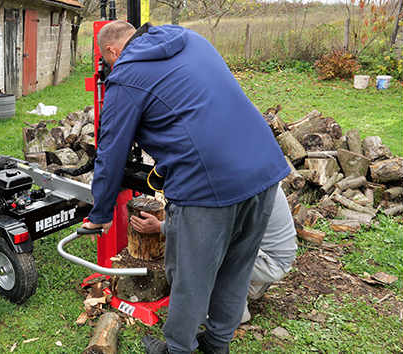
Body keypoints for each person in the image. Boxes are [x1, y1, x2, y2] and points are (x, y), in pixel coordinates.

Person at [80, 20, 291, 354]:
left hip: (209, 184)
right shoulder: (191, 39)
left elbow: (111, 150)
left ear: (111, 51)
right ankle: (216, 345)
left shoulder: (125, 74)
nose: (109, 68)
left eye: (107, 63)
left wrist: (102, 212)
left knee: (190, 277)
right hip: (263, 170)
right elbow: (198, 106)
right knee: (236, 269)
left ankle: (177, 349)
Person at [130, 187, 297, 323]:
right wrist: (162, 225)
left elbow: (202, 229)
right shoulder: (255, 175)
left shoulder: (233, 187)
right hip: (276, 254)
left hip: (270, 261)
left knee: (206, 251)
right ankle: (254, 284)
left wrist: (161, 227)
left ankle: (236, 312)